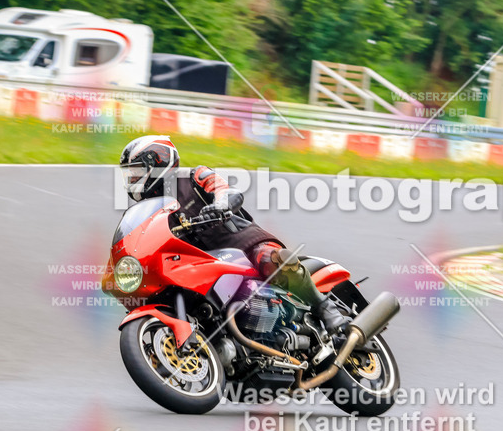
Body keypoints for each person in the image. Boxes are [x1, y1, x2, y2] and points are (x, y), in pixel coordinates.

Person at [118, 135, 347, 332]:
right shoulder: (150, 211)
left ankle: (325, 308)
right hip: (200, 263)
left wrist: (221, 204)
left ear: (158, 163)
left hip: (241, 244)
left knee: (272, 260)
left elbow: (224, 190)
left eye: (136, 172)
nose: (132, 179)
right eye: (129, 174)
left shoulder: (195, 177)